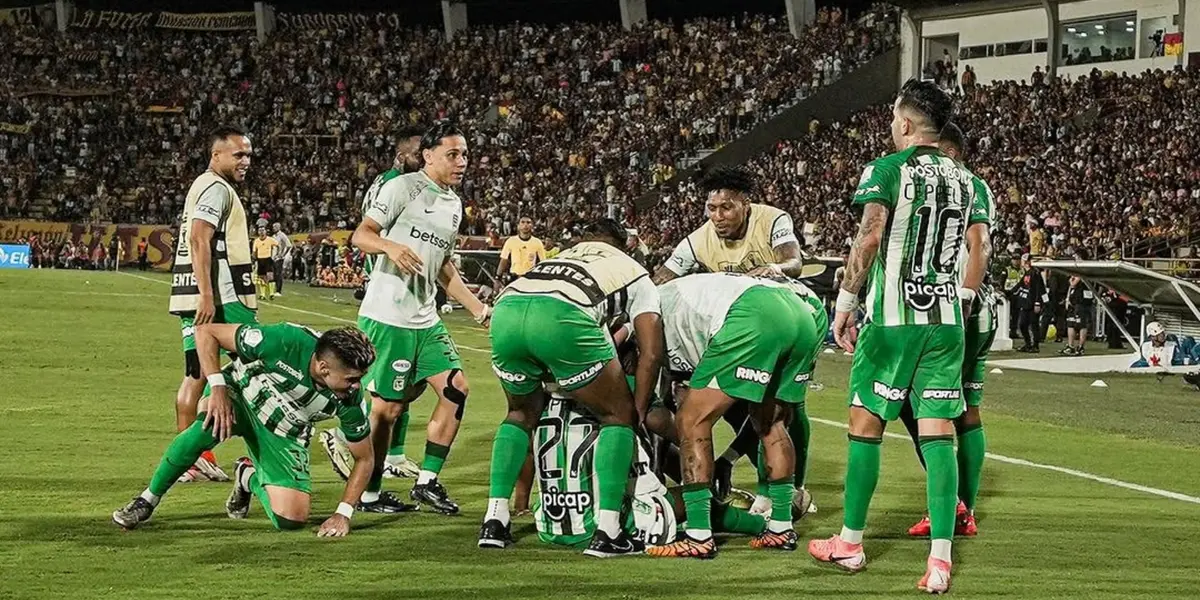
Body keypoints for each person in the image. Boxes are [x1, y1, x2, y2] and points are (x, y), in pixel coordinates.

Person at [807, 80, 989, 595]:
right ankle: (940, 561)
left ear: (905, 123)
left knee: (865, 424)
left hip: (893, 320)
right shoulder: (967, 180)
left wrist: (845, 302)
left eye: (893, 117)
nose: (891, 125)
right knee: (938, 435)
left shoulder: (887, 170)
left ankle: (850, 542)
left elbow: (869, 236)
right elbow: (979, 245)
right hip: (947, 322)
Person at [479, 218, 662, 557]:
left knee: (519, 414)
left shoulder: (563, 256)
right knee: (617, 416)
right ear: (624, 245)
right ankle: (608, 531)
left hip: (507, 310)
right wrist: (636, 411)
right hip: (562, 314)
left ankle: (494, 519)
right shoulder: (633, 270)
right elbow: (651, 353)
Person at [340, 122, 490, 515]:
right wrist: (389, 247)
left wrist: (477, 308)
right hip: (389, 316)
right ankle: (369, 493)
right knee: (388, 410)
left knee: (456, 388)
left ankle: (427, 481)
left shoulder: (454, 205)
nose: (462, 162)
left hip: (426, 318)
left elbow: (443, 267)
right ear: (428, 156)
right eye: (452, 154)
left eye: (465, 155)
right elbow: (361, 235)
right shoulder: (402, 188)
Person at [111, 323, 377, 536]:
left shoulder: (351, 400)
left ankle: (247, 476)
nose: (357, 386)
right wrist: (217, 388)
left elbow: (365, 458)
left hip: (284, 430)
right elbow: (207, 332)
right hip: (240, 394)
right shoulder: (284, 340)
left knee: (291, 520)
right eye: (352, 379)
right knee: (206, 427)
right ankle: (147, 499)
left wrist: (343, 514)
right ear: (323, 367)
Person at [649, 164, 810, 507]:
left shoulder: (772, 220)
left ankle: (790, 489)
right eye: (711, 208)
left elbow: (794, 262)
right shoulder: (698, 239)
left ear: (745, 204)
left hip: (784, 320)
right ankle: (759, 484)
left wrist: (773, 269)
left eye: (726, 207)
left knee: (783, 407)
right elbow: (661, 279)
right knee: (739, 410)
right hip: (740, 331)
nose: (718, 216)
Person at [646, 273, 822, 559]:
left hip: (753, 313)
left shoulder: (647, 307)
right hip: (800, 314)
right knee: (772, 423)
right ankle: (781, 527)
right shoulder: (673, 293)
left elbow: (652, 363)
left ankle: (699, 536)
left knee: (691, 419)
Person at [895, 122, 995, 539]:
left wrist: (965, 296)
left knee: (911, 401)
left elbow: (979, 245)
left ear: (949, 152)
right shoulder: (977, 188)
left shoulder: (956, 184)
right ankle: (963, 509)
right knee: (965, 410)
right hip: (977, 310)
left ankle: (954, 504)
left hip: (952, 309)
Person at [322, 125, 426, 481]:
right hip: (389, 289)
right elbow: (369, 234)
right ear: (401, 156)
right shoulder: (394, 186)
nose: (424, 159)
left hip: (404, 291)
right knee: (384, 383)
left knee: (407, 379)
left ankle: (394, 455)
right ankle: (344, 437)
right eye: (417, 154)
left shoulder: (401, 183)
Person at [167, 126, 258, 483]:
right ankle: (261, 457)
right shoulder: (216, 188)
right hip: (222, 297)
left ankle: (192, 459)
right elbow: (199, 238)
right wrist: (207, 294)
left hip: (192, 293)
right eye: (238, 155)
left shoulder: (203, 185)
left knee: (197, 374)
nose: (246, 161)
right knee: (257, 369)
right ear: (216, 155)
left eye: (248, 155)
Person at [496, 216, 546, 284]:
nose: (525, 225)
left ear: (532, 226)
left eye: (528, 222)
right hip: (514, 278)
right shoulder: (511, 241)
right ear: (518, 226)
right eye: (522, 222)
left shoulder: (537, 242)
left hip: (530, 279)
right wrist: (497, 277)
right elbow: (504, 260)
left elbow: (543, 262)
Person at [1013, 255, 1046, 352]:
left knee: (1034, 324)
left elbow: (1039, 289)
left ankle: (1035, 345)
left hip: (1033, 303)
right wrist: (1008, 292)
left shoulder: (1035, 273)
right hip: (1026, 302)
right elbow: (1020, 285)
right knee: (1023, 324)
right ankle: (1028, 343)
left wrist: (1038, 303)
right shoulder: (1027, 273)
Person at [1062, 276, 1095, 356]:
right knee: (1071, 323)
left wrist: (1072, 281)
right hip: (1075, 301)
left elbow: (1073, 283)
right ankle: (1071, 346)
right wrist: (1068, 298)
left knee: (1082, 324)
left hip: (1081, 301)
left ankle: (1080, 347)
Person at [253, 226, 278, 301]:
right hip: (260, 260)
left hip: (268, 259)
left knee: (270, 276)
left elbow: (278, 245)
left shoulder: (270, 239)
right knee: (262, 277)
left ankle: (271, 294)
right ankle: (262, 294)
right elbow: (254, 251)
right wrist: (254, 259)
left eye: (263, 230)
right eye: (260, 230)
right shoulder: (256, 241)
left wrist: (278, 254)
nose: (261, 232)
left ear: (265, 231)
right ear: (258, 232)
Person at [271, 222, 292, 298]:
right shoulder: (274, 236)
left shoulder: (282, 235)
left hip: (279, 258)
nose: (273, 228)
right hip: (273, 257)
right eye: (273, 227)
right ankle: (275, 289)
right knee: (274, 274)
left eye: (275, 227)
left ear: (278, 227)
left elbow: (289, 245)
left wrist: (282, 255)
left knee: (278, 274)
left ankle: (278, 290)